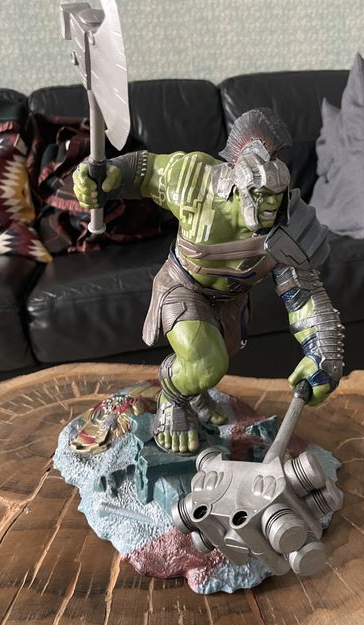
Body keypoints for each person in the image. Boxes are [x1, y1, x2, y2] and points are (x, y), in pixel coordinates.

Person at [73, 108, 344, 455]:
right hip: (182, 285)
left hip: (231, 304)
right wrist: (104, 177)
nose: (269, 206)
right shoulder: (195, 180)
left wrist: (324, 356)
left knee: (209, 364)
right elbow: (145, 170)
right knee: (206, 362)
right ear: (238, 186)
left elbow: (305, 296)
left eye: (276, 196)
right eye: (260, 195)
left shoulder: (290, 225)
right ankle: (172, 400)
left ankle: (195, 392)